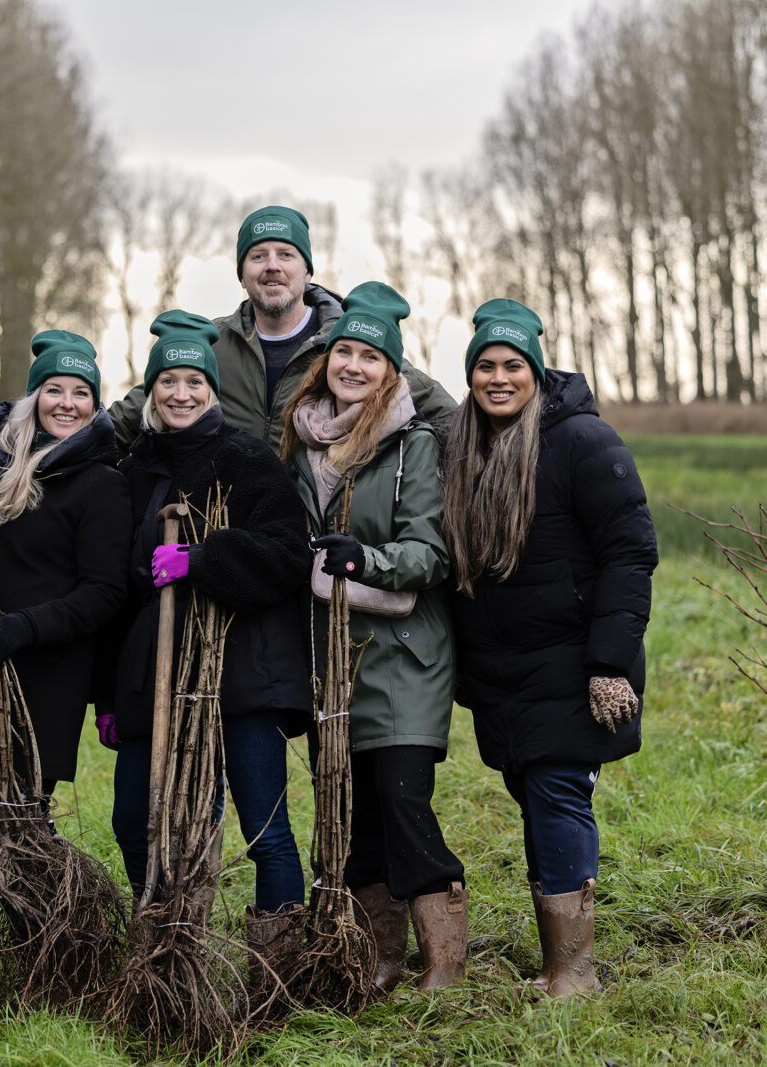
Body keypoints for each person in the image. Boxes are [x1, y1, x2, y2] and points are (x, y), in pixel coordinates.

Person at [442, 298, 657, 996]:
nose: (498, 378)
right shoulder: (462, 445)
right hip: (501, 668)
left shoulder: (582, 440)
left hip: (573, 661)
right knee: (532, 797)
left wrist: (609, 663)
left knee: (557, 795)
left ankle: (574, 973)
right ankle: (557, 963)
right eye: (485, 366)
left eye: (513, 365)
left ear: (536, 370)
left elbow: (630, 551)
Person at [279, 281, 466, 993]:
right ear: (325, 361)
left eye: (370, 356)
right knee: (350, 812)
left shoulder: (411, 444)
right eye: (343, 353)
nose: (353, 365)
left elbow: (431, 553)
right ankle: (381, 957)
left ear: (392, 370)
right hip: (332, 658)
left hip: (404, 658)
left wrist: (364, 558)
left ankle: (445, 963)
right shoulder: (300, 441)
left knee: (402, 802)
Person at [104, 309, 312, 947]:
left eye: (195, 381)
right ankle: (168, 946)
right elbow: (116, 591)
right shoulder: (135, 468)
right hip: (157, 676)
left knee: (264, 830)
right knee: (133, 819)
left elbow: (289, 554)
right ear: (151, 391)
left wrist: (203, 559)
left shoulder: (246, 458)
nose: (181, 393)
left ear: (213, 389)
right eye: (168, 381)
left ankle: (280, 966)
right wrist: (111, 696)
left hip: (244, 675)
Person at [0, 330, 131, 803]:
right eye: (54, 389)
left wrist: (26, 627)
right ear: (34, 398)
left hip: (46, 674)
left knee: (23, 810)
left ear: (95, 405)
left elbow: (104, 593)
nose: (67, 404)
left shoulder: (103, 484)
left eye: (81, 393)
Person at [110, 204, 458, 454]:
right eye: (258, 256)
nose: (272, 266)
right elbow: (124, 421)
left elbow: (450, 420)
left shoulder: (347, 346)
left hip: (318, 529)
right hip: (225, 526)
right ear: (242, 276)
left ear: (307, 272)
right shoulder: (211, 346)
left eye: (286, 255)